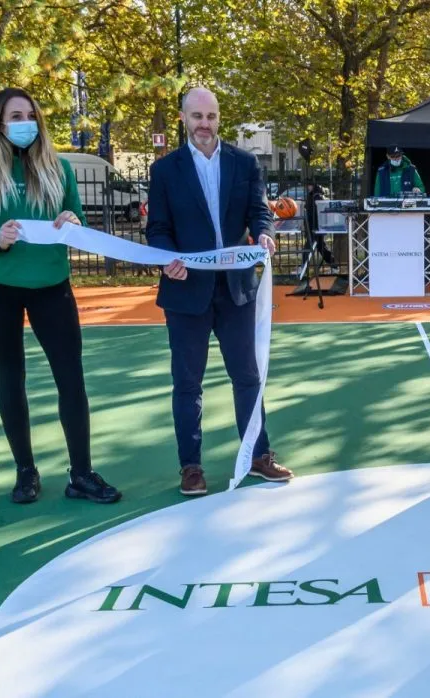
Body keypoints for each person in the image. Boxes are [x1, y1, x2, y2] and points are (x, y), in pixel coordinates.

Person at [0, 87, 120, 504]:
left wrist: (71, 220)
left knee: (71, 380)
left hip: (51, 286)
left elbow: (75, 219)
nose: (24, 123)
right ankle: (26, 471)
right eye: (14, 116)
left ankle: (81, 474)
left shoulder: (58, 168)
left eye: (30, 115)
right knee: (11, 378)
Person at [145, 87, 293, 496]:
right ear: (184, 119)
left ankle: (259, 455)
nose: (204, 124)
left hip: (236, 290)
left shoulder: (244, 163)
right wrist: (166, 258)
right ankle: (190, 467)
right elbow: (157, 229)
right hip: (184, 291)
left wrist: (263, 233)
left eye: (210, 116)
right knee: (187, 384)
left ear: (218, 119)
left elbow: (258, 211)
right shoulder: (165, 171)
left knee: (248, 376)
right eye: (196, 116)